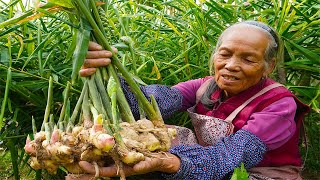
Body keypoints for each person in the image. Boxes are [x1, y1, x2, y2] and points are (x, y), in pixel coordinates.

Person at [71, 21, 310, 179]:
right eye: (225, 54)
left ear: (269, 66)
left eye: (248, 59)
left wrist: (173, 163)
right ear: (215, 55)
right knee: (149, 133)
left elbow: (234, 156)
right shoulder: (205, 86)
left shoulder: (279, 104)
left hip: (257, 174)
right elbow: (150, 104)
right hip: (209, 164)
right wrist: (106, 74)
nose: (231, 66)